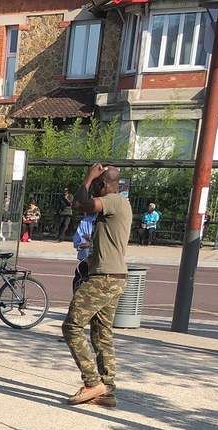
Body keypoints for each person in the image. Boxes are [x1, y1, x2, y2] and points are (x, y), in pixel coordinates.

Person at [62, 163, 132, 408]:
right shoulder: (115, 204)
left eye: (97, 185)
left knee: (71, 326)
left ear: (103, 185)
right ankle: (107, 389)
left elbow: (79, 204)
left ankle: (93, 383)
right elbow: (82, 207)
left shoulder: (115, 201)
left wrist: (88, 178)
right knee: (101, 333)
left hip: (104, 278)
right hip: (112, 277)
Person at [72, 212, 96, 293]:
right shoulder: (86, 222)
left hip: (100, 265)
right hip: (86, 262)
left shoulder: (108, 224)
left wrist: (91, 242)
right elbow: (76, 242)